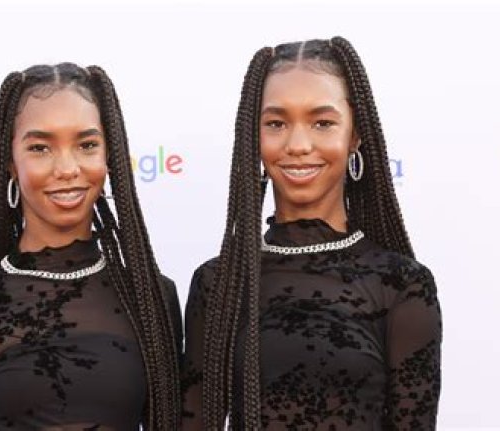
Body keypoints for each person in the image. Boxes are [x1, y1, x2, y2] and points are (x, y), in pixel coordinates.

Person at [182, 37, 442, 430]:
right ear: (253, 136)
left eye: (322, 123)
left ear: (355, 135)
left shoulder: (401, 284)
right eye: (276, 124)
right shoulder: (218, 283)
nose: (298, 145)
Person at [0, 63, 181, 430]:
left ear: (109, 156)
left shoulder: (151, 299)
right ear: (11, 162)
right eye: (40, 148)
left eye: (87, 145)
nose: (67, 168)